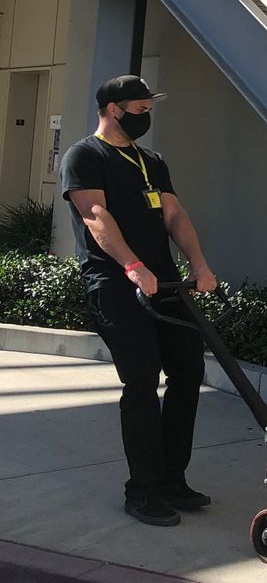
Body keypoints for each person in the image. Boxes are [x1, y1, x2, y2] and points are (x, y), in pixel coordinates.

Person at [59, 74, 218, 528]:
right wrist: (132, 266)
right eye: (139, 110)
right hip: (114, 283)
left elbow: (174, 213)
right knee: (143, 380)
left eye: (149, 109)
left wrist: (199, 264)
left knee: (189, 371)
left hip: (165, 283)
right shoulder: (85, 155)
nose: (146, 116)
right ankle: (143, 489)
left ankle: (172, 479)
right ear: (113, 109)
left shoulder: (152, 160)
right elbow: (96, 216)